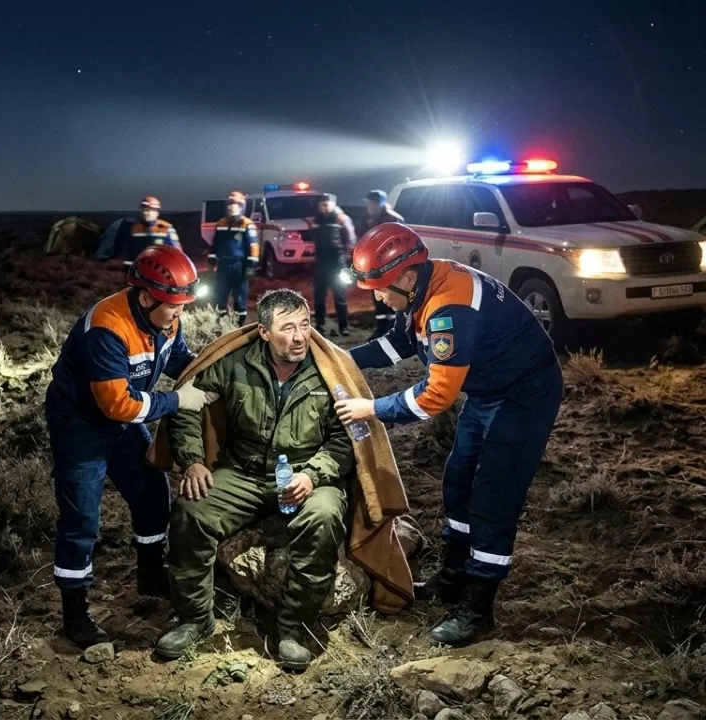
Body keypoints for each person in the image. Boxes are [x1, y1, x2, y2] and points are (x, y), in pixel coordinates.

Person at [334, 223, 563, 647]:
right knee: (458, 481)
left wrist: (373, 410)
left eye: (381, 288)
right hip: (490, 390)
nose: (378, 297)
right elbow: (398, 344)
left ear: (405, 276)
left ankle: (477, 611)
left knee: (493, 496)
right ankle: (453, 579)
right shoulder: (424, 284)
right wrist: (341, 359)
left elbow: (435, 396)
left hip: (524, 395)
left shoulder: (449, 306)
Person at [155, 289, 353, 671]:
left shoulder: (328, 371)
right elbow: (187, 406)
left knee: (325, 516)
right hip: (243, 472)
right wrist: (193, 462)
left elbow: (347, 438)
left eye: (305, 325)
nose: (299, 337)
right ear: (263, 332)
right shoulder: (233, 364)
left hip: (306, 473)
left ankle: (295, 628)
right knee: (190, 510)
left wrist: (312, 476)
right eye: (288, 328)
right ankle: (195, 619)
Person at [44, 245, 218, 647]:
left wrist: (216, 370)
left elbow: (178, 361)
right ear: (145, 297)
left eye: (183, 305)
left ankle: (151, 575)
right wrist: (177, 400)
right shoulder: (107, 328)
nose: (180, 314)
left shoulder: (165, 317)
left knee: (152, 491)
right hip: (82, 428)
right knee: (81, 519)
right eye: (175, 305)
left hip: (121, 423)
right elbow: (119, 404)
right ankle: (75, 613)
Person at [306, 193, 357, 336]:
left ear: (333, 204)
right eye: (321, 204)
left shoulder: (341, 219)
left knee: (340, 296)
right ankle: (320, 325)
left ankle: (344, 326)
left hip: (337, 263)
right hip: (321, 263)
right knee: (319, 296)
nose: (323, 206)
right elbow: (311, 238)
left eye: (326, 204)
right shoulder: (316, 220)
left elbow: (351, 238)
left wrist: (346, 256)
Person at [356, 190, 405, 339]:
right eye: (368, 203)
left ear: (381, 203)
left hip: (390, 266)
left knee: (392, 298)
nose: (369, 206)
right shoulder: (368, 220)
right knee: (379, 299)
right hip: (373, 267)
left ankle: (396, 332)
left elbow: (400, 244)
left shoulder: (392, 219)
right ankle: (381, 330)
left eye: (372, 203)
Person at [207, 191, 259, 325]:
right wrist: (212, 258)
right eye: (230, 204)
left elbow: (253, 246)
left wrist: (250, 266)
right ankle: (220, 327)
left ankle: (238, 327)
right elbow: (215, 243)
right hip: (223, 265)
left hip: (239, 266)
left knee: (240, 299)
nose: (232, 207)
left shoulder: (247, 224)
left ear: (242, 207)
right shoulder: (221, 223)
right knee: (220, 297)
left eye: (236, 204)